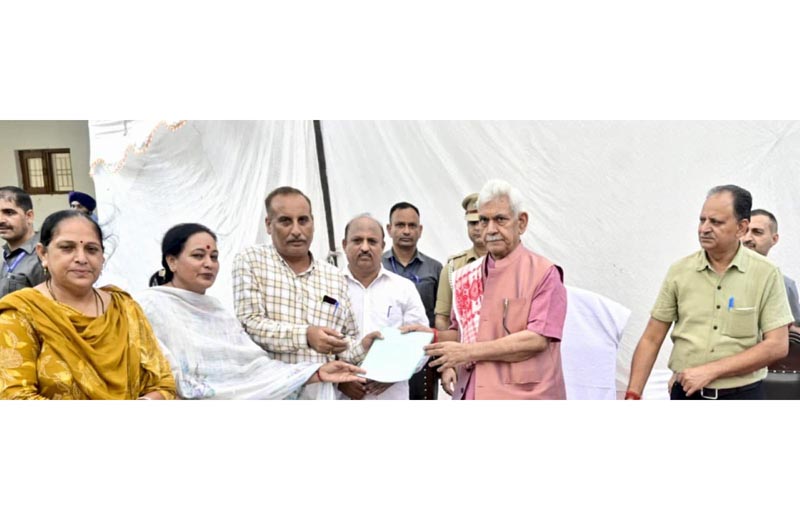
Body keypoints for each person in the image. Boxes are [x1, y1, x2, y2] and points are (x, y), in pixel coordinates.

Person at [137, 223, 366, 399]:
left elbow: (252, 368)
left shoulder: (217, 311)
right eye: (198, 256)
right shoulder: (150, 307)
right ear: (172, 261)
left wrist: (315, 373)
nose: (209, 263)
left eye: (214, 257)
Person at [626, 185, 793, 400]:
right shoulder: (680, 272)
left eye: (716, 222)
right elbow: (651, 338)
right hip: (686, 394)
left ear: (741, 228)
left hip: (743, 396)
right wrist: (633, 394)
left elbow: (777, 346)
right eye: (702, 220)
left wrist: (711, 370)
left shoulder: (766, 274)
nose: (704, 228)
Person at [0, 210, 176, 399]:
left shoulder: (124, 308)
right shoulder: (21, 313)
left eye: (92, 249)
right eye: (67, 248)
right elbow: (14, 396)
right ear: (43, 254)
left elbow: (163, 382)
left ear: (102, 257)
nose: (81, 258)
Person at [418, 179, 569, 400]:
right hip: (472, 390)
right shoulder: (465, 275)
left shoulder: (544, 273)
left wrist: (469, 351)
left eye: (500, 219)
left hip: (524, 396)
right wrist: (429, 336)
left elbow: (536, 339)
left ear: (521, 222)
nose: (489, 230)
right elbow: (462, 334)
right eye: (483, 220)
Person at [232, 186, 375, 400]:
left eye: (303, 220)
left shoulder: (333, 276)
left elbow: (344, 344)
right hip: (270, 394)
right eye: (285, 221)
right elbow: (250, 324)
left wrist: (363, 346)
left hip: (322, 396)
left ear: (313, 223)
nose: (297, 231)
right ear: (269, 225)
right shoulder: (251, 261)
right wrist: (306, 336)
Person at [337, 214, 428, 400]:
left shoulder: (403, 288)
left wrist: (394, 375)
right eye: (357, 241)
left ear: (382, 246)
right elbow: (318, 346)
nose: (364, 247)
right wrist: (339, 380)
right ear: (344, 244)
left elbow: (422, 342)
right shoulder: (329, 288)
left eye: (372, 241)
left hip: (391, 396)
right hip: (341, 397)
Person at [382, 201, 442, 399]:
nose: (406, 231)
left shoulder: (434, 269)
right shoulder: (377, 266)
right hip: (382, 355)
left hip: (422, 357)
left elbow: (441, 316)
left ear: (420, 230)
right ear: (389, 229)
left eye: (412, 225)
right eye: (400, 225)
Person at [434, 192, 487, 331]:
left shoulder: (510, 264)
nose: (477, 228)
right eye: (472, 223)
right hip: (461, 347)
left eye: (482, 221)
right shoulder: (452, 267)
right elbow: (442, 317)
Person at [742, 209, 800, 332]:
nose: (747, 238)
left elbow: (792, 335)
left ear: (774, 239)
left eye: (757, 232)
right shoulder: (716, 275)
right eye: (744, 231)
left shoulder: (785, 285)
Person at [0, 186, 46, 297]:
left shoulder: (43, 256)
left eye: (9, 212)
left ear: (29, 216)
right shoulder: (5, 253)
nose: (1, 220)